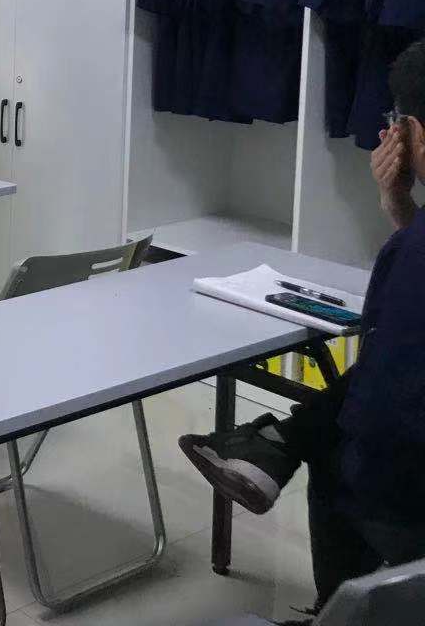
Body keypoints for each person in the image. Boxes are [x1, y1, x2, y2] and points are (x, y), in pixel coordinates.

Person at [178, 39, 425, 623]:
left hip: (406, 499)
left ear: (411, 132)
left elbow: (384, 414)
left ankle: (334, 608)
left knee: (341, 448)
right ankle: (279, 443)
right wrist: (399, 209)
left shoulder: (412, 254)